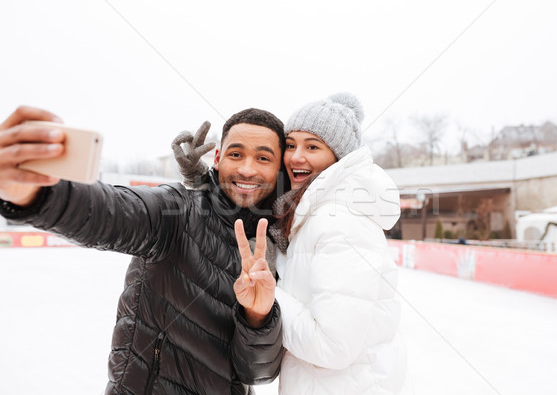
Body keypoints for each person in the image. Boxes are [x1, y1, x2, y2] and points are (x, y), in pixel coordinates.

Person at [0, 106, 285, 395]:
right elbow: (112, 209)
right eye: (236, 154)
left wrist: (258, 315)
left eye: (263, 158)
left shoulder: (276, 247)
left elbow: (258, 373)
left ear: (278, 169)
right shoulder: (178, 210)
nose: (247, 169)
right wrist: (35, 193)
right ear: (217, 157)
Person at [237, 93, 407, 394]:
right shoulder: (309, 213)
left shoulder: (340, 222)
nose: (295, 157)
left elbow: (333, 347)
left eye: (312, 146)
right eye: (290, 145)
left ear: (338, 156)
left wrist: (269, 295)